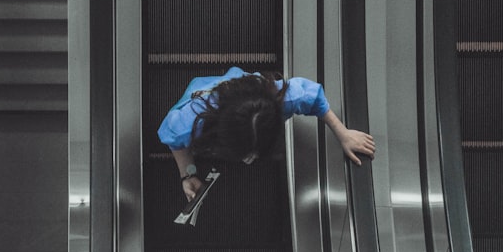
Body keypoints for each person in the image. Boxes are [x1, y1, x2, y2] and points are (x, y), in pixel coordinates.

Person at [158, 66, 375, 200]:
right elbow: (175, 141)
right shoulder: (188, 120)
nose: (249, 159)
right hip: (207, 94)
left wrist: (343, 133)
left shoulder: (283, 97)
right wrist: (188, 173)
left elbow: (314, 96)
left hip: (248, 88)